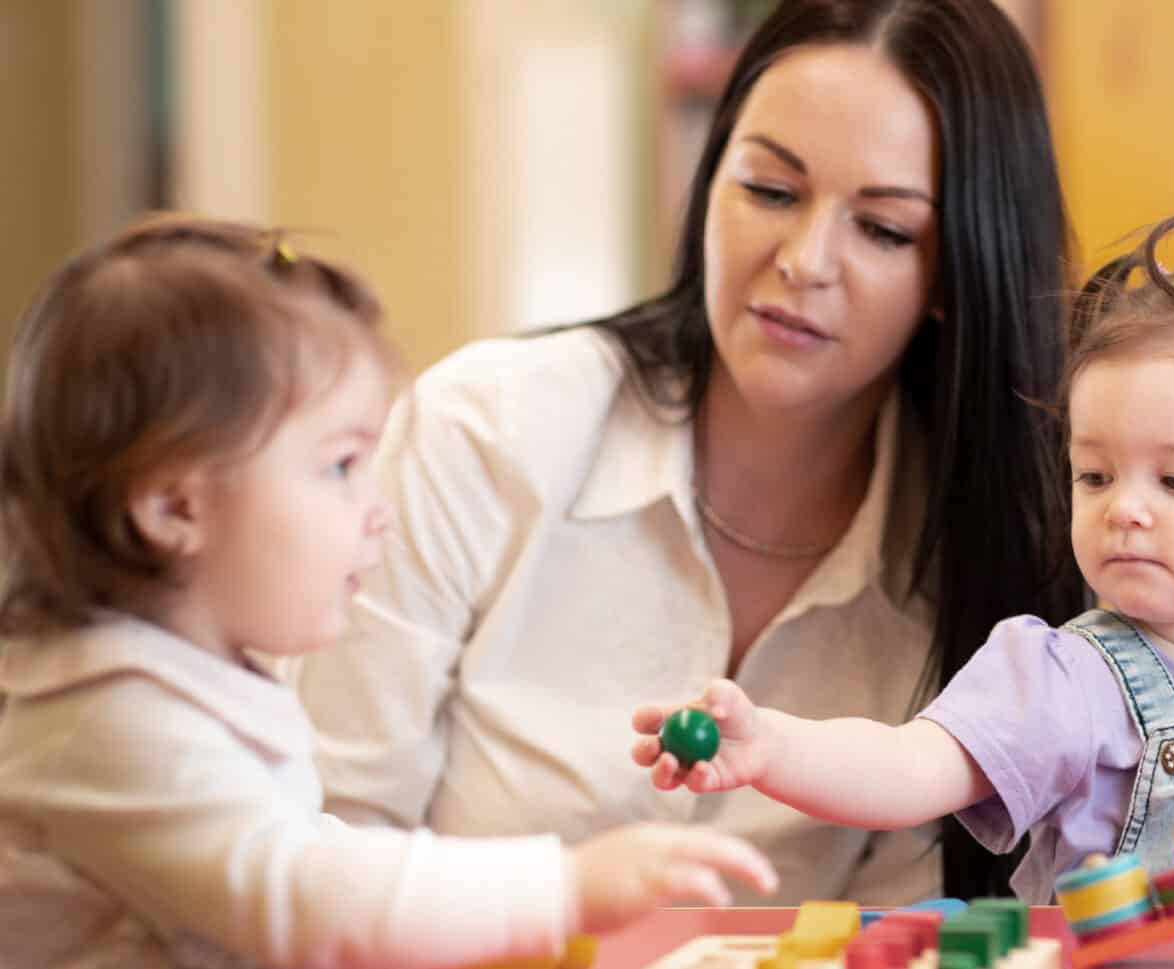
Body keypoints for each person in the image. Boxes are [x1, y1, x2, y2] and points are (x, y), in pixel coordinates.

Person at [285, 0, 1085, 904]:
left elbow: (906, 930)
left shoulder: (981, 566)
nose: (804, 260)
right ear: (711, 182)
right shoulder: (481, 434)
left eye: (884, 229)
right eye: (771, 190)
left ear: (955, 274)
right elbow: (324, 840)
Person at [633, 211, 1174, 902]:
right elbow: (907, 766)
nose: (1126, 509)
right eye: (1095, 473)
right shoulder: (1064, 678)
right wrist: (770, 745)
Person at [0, 215, 777, 969]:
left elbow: (309, 849)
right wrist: (563, 887)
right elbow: (295, 894)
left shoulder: (179, 683)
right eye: (340, 466)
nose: (378, 508)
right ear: (174, 508)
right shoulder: (106, 722)